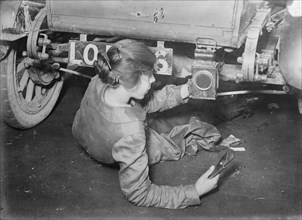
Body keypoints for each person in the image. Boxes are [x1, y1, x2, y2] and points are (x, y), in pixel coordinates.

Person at [72, 39, 220, 209]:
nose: (152, 80)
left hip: (89, 139)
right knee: (188, 132)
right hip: (114, 148)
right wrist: (195, 190)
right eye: (148, 75)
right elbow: (140, 194)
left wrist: (185, 90)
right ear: (127, 80)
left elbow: (141, 105)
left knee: (173, 118)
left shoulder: (99, 80)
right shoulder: (132, 131)